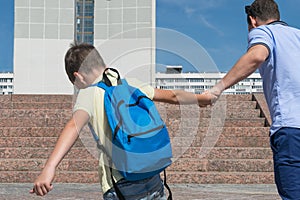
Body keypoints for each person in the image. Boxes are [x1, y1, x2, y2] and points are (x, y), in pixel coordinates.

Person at [29, 42, 213, 199]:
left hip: (121, 182)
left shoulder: (90, 93)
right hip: (152, 174)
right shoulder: (131, 83)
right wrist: (200, 99)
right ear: (103, 64)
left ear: (78, 76)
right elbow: (173, 95)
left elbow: (73, 126)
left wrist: (49, 167)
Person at [203, 0, 300, 199]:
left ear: (252, 20)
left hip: (291, 129)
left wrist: (217, 89)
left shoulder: (264, 32)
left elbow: (256, 56)